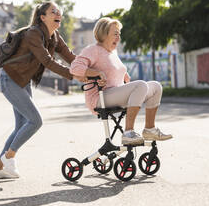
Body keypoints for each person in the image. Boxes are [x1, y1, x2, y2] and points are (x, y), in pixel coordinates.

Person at [0, 1, 98, 178]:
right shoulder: (33, 33)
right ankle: (9, 156)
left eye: (59, 12)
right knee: (35, 121)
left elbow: (71, 57)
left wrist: (90, 67)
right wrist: (73, 75)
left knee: (21, 125)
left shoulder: (55, 36)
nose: (58, 14)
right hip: (9, 79)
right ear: (43, 17)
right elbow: (47, 61)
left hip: (22, 81)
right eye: (53, 11)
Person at [70, 17, 172, 145]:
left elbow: (115, 69)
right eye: (115, 34)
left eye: (119, 34)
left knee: (156, 86)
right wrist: (96, 73)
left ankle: (149, 129)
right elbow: (75, 68)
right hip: (99, 97)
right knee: (140, 85)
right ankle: (128, 133)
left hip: (115, 93)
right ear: (104, 34)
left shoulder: (113, 52)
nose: (118, 37)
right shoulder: (93, 50)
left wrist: (124, 75)